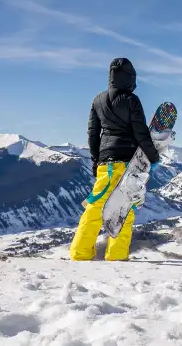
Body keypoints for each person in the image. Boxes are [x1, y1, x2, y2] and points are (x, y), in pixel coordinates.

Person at [69, 57, 160, 261]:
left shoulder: (98, 100)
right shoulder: (131, 100)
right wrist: (152, 156)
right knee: (123, 209)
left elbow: (93, 135)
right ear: (130, 78)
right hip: (127, 163)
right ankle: (116, 255)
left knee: (95, 207)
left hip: (105, 162)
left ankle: (80, 252)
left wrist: (96, 160)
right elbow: (141, 133)